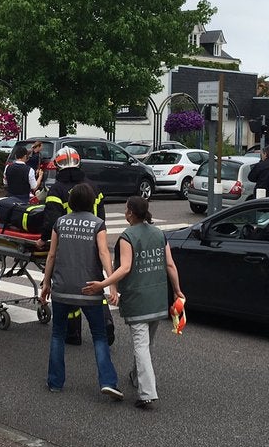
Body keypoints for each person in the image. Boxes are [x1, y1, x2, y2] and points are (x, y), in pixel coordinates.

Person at [84, 196, 183, 410]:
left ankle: (147, 393)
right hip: (157, 299)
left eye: (126, 209)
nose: (125, 212)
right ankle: (137, 378)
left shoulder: (127, 237)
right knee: (147, 345)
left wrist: (103, 284)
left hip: (138, 299)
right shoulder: (159, 234)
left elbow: (125, 268)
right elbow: (170, 265)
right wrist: (177, 291)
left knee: (141, 345)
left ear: (130, 213)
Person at [40, 182, 122, 399]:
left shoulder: (60, 223)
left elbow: (51, 255)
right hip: (90, 288)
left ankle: (55, 382)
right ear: (91, 202)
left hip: (62, 288)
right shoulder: (98, 224)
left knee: (57, 334)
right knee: (99, 336)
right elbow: (104, 254)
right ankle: (108, 381)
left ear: (71, 202)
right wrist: (111, 283)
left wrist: (46, 283)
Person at [38, 147, 107, 346]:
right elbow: (101, 216)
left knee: (71, 285)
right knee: (96, 282)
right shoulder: (93, 186)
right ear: (78, 163)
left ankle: (73, 333)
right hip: (94, 240)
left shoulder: (57, 189)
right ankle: (106, 321)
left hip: (69, 245)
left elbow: (52, 219)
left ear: (58, 166)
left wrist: (43, 239)